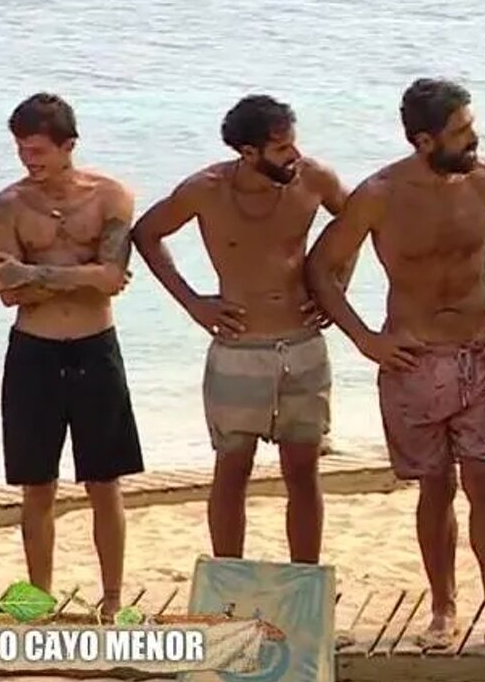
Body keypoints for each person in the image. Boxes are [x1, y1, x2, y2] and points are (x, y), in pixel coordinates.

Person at [306, 78, 485, 661]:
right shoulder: (380, 194)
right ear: (424, 141)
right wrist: (365, 339)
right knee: (435, 486)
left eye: (472, 126)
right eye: (461, 131)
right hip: (412, 358)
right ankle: (443, 607)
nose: (474, 138)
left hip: (481, 351)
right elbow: (322, 267)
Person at [131, 94, 350, 563]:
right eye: (281, 148)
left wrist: (335, 288)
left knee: (303, 472)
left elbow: (357, 223)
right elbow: (146, 233)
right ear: (249, 153)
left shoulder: (314, 179)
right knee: (232, 470)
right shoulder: (206, 189)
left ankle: (304, 580)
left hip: (302, 345)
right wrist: (192, 303)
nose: (294, 154)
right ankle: (230, 577)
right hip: (238, 347)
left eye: (293, 143)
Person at [0, 93, 142, 618]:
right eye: (21, 150)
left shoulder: (111, 196)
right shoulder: (8, 205)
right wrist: (82, 277)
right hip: (34, 352)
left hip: (96, 349)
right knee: (37, 486)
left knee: (104, 482)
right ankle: (40, 597)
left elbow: (112, 278)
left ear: (68, 145)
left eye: (38, 150)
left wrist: (35, 274)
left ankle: (113, 597)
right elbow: (7, 292)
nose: (28, 160)